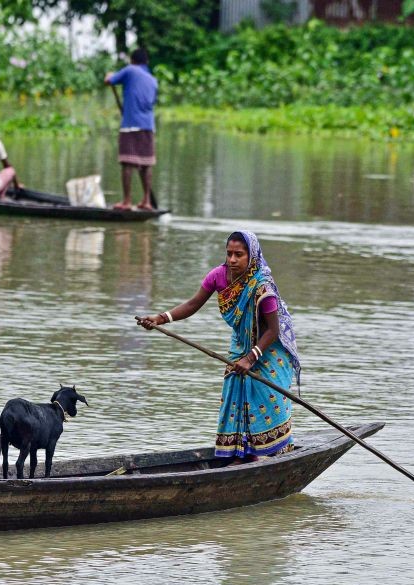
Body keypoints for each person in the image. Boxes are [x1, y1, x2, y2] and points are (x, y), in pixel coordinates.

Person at [136, 230, 301, 462]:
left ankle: (271, 455)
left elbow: (274, 331)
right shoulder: (218, 276)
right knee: (235, 391)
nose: (232, 260)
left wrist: (251, 358)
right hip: (241, 345)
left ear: (251, 256)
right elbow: (193, 303)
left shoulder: (263, 288)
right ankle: (241, 454)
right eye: (229, 254)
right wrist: (160, 318)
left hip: (269, 349)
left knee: (267, 400)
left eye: (239, 255)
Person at [104, 48, 158, 211]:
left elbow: (110, 81)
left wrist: (108, 76)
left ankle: (127, 201)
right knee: (145, 164)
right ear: (146, 62)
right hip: (148, 126)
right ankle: (146, 200)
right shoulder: (153, 80)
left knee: (128, 163)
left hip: (130, 125)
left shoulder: (130, 70)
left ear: (132, 60)